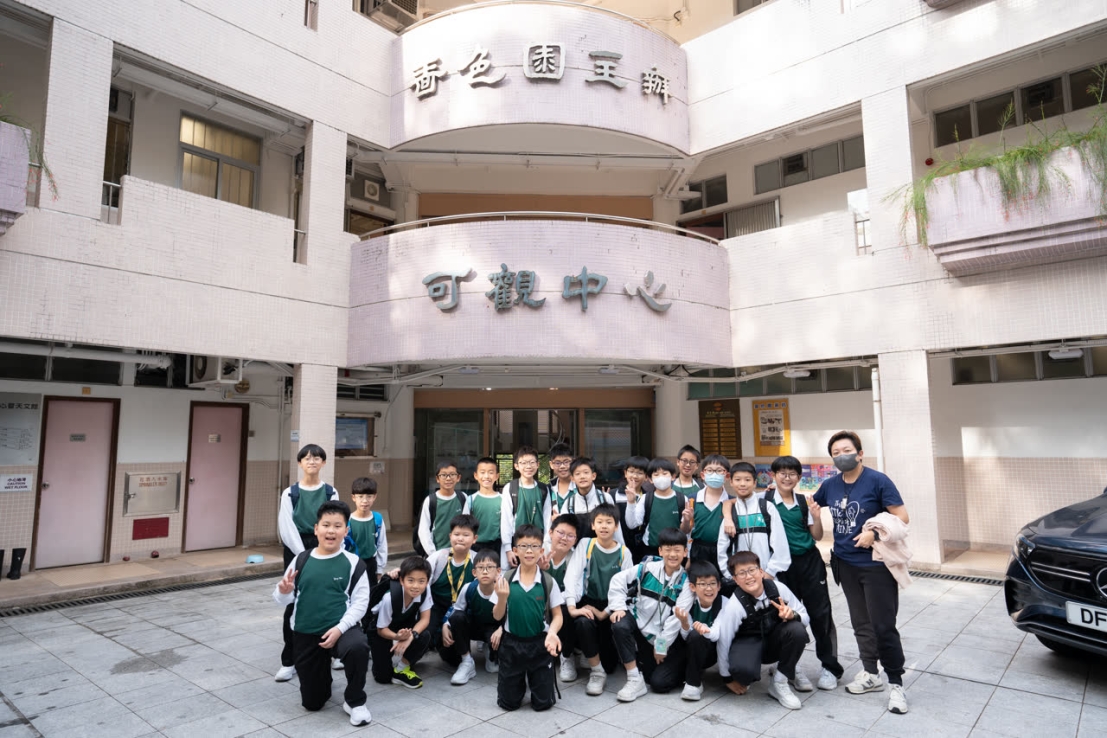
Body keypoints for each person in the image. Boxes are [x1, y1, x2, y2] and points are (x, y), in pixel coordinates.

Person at [813, 430, 910, 715]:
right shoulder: (830, 485)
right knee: (861, 624)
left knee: (883, 625)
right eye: (836, 453)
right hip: (845, 564)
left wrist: (874, 534)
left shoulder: (878, 481)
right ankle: (871, 674)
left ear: (860, 453)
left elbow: (902, 517)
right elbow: (811, 504)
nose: (841, 456)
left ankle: (896, 684)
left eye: (846, 450)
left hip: (875, 566)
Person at [273, 500, 371, 727]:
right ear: (316, 529)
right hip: (306, 632)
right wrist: (283, 591)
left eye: (338, 526)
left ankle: (355, 701)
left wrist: (339, 629)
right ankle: (321, 677)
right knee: (313, 702)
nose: (331, 531)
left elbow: (360, 603)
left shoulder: (354, 563)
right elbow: (282, 599)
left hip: (341, 629)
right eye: (326, 525)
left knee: (358, 647)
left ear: (346, 531)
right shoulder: (301, 559)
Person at [765, 456, 842, 691]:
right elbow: (733, 503)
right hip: (780, 566)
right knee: (784, 615)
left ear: (799, 477)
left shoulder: (804, 502)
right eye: (782, 473)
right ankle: (790, 667)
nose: (787, 478)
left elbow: (816, 535)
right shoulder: (763, 500)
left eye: (792, 474)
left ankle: (829, 667)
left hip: (808, 562)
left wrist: (817, 518)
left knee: (821, 614)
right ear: (773, 476)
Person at [275, 444, 339, 682]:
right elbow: (287, 527)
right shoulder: (289, 493)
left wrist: (328, 549)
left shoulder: (331, 492)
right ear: (300, 463)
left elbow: (335, 524)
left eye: (317, 458)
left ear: (324, 462)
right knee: (294, 601)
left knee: (331, 598)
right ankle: (289, 660)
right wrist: (305, 556)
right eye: (307, 458)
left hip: (326, 545)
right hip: (297, 548)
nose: (312, 461)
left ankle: (335, 652)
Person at [715, 551, 810, 711]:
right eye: (742, 573)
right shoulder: (735, 606)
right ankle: (750, 669)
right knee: (743, 673)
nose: (749, 576)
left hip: (774, 640)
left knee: (797, 629)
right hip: (749, 643)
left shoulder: (778, 589)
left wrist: (792, 615)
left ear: (761, 571)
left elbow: (805, 617)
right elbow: (724, 641)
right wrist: (727, 677)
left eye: (752, 570)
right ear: (735, 580)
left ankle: (780, 681)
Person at [607, 528, 690, 702]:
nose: (672, 554)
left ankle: (686, 672)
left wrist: (661, 647)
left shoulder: (685, 583)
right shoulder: (646, 568)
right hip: (639, 624)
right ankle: (633, 678)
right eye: (668, 549)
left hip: (660, 636)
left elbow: (675, 620)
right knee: (619, 623)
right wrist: (618, 607)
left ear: (685, 552)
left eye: (677, 550)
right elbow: (617, 580)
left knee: (658, 683)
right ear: (660, 551)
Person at [493, 524, 564, 712]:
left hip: (539, 644)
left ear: (541, 550)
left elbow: (558, 615)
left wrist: (552, 633)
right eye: (524, 546)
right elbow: (497, 615)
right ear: (515, 550)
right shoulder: (506, 579)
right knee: (508, 704)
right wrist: (501, 598)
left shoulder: (548, 581)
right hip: (512, 644)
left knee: (543, 704)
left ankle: (534, 680)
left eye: (534, 546)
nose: (529, 551)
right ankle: (517, 683)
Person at [564, 503, 634, 695]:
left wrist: (607, 612)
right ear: (593, 525)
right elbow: (573, 576)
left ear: (616, 526)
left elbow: (628, 588)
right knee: (582, 623)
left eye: (609, 522)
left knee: (610, 665)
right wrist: (572, 606)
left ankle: (596, 656)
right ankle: (596, 672)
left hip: (611, 606)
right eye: (600, 522)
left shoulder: (624, 552)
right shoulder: (586, 545)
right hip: (588, 602)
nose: (604, 526)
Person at [657, 560, 729, 701]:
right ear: (692, 587)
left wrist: (705, 630)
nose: (708, 589)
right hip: (686, 649)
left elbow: (716, 634)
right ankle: (690, 672)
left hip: (709, 651)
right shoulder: (688, 601)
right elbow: (676, 631)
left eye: (712, 583)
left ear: (719, 585)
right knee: (658, 682)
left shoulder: (724, 603)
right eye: (702, 584)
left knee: (697, 635)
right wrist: (660, 647)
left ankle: (693, 684)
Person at [717, 461, 790, 593]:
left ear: (755, 482)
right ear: (731, 482)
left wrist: (769, 573)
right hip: (739, 580)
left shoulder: (767, 508)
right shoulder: (730, 514)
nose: (742, 484)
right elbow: (722, 549)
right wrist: (731, 575)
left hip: (767, 577)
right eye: (738, 480)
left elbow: (780, 544)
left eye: (747, 479)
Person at [368, 556, 432, 688]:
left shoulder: (426, 591)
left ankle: (402, 667)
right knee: (383, 677)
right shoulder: (390, 597)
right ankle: (380, 654)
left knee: (425, 635)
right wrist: (397, 637)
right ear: (402, 580)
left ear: (427, 582)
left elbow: (425, 619)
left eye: (421, 581)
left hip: (405, 625)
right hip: (382, 630)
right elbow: (381, 629)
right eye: (410, 580)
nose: (416, 586)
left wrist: (410, 637)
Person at [443, 549, 503, 684]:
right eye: (481, 568)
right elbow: (456, 609)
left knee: (493, 668)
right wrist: (446, 624)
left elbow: (512, 615)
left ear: (498, 571)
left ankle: (491, 652)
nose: (485, 571)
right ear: (474, 572)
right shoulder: (469, 588)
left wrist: (502, 629)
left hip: (494, 630)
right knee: (457, 618)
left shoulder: (503, 589)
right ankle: (466, 661)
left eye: (490, 567)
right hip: (474, 626)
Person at [425, 514, 478, 654]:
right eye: (456, 534)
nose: (460, 538)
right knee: (425, 635)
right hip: (435, 605)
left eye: (466, 535)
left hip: (461, 609)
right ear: (450, 536)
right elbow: (420, 578)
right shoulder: (438, 557)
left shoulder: (477, 561)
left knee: (453, 657)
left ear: (474, 539)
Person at [544, 513, 582, 683]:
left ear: (575, 540)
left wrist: (555, 600)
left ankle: (567, 656)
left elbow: (577, 591)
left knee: (567, 611)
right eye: (560, 533)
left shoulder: (575, 558)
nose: (564, 538)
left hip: (562, 605)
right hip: (540, 603)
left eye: (570, 535)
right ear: (551, 532)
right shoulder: (540, 552)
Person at [624, 458, 685, 560]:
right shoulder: (646, 498)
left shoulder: (682, 499)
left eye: (665, 474)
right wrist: (630, 502)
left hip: (675, 551)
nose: (661, 477)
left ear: (673, 476)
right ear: (650, 479)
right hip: (650, 549)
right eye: (656, 474)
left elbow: (687, 531)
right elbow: (632, 524)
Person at [503, 446, 552, 563]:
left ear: (538, 464)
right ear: (516, 466)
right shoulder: (510, 488)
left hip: (538, 543)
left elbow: (547, 519)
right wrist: (508, 548)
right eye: (523, 463)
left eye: (532, 462)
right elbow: (506, 519)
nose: (528, 466)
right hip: (517, 543)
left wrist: (546, 545)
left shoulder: (543, 489)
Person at [687, 454, 735, 568]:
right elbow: (687, 531)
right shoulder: (692, 499)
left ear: (727, 476)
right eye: (710, 470)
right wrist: (688, 557)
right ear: (703, 475)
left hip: (724, 551)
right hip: (698, 551)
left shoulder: (732, 502)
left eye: (719, 471)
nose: (714, 474)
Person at [416, 460, 471, 556]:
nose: (448, 478)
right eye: (443, 475)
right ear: (437, 479)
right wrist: (433, 554)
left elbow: (466, 526)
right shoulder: (431, 500)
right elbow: (423, 531)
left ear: (458, 478)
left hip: (458, 553)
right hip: (436, 552)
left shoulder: (463, 497)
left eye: (452, 474)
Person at [559, 457, 619, 541]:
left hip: (602, 548)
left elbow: (616, 529)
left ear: (593, 476)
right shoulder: (569, 504)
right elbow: (564, 532)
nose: (582, 477)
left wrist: (620, 548)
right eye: (578, 474)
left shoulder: (605, 498)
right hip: (577, 548)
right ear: (572, 479)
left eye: (586, 472)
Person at [469, 456, 512, 565]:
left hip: (497, 546)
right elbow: (466, 526)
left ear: (497, 476)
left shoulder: (503, 499)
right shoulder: (471, 500)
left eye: (491, 472)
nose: (486, 476)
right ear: (476, 475)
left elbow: (507, 525)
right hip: (475, 546)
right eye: (482, 472)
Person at [349, 477, 387, 586]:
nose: (365, 501)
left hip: (371, 564)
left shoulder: (377, 519)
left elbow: (381, 544)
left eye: (369, 496)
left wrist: (379, 569)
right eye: (360, 496)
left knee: (371, 592)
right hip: (353, 564)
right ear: (353, 497)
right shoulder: (348, 520)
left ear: (374, 497)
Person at [613, 456, 652, 562]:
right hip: (619, 546)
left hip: (641, 548)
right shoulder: (614, 495)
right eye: (631, 471)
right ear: (625, 473)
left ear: (646, 477)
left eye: (639, 473)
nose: (634, 476)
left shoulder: (648, 497)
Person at [547, 442, 576, 514]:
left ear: (573, 462)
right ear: (551, 464)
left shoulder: (580, 487)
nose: (562, 466)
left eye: (566, 462)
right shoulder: (547, 490)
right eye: (557, 463)